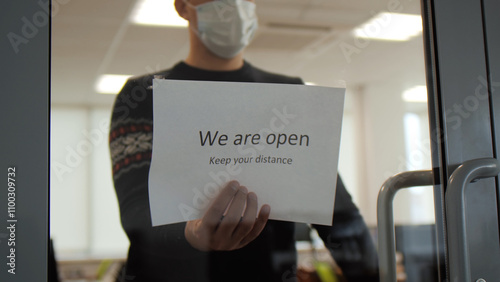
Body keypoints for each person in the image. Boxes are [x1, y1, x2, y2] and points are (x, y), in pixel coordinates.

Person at [108, 0, 379, 281]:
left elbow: (336, 212)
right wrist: (191, 235)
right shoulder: (143, 97)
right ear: (182, 7)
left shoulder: (288, 95)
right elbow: (137, 213)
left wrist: (374, 275)